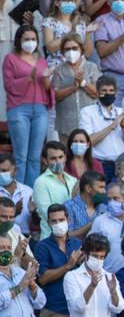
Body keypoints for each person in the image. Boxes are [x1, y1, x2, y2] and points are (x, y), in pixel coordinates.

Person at [3, 25, 52, 187]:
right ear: (19, 41)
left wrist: (46, 81)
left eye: (33, 39)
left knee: (34, 156)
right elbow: (9, 85)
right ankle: (17, 194)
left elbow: (47, 89)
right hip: (19, 109)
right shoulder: (10, 59)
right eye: (26, 39)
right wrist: (28, 78)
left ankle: (31, 195)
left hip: (40, 109)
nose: (30, 42)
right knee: (21, 156)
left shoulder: (42, 61)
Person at [34, 206, 82, 317]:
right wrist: (68, 265)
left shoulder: (77, 243)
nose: (58, 223)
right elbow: (42, 278)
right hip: (54, 310)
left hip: (77, 311)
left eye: (61, 220)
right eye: (53, 221)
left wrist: (82, 264)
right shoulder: (43, 246)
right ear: (48, 223)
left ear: (69, 220)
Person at [78, 76, 124, 181]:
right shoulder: (87, 112)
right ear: (98, 93)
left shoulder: (122, 112)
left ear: (116, 93)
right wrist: (112, 126)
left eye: (111, 91)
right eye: (104, 90)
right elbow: (87, 142)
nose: (108, 93)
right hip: (101, 165)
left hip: (122, 165)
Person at [0, 233, 44, 317]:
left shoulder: (21, 273)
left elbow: (40, 303)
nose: (5, 251)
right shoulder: (22, 278)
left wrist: (33, 287)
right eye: (1, 248)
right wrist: (20, 287)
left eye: (8, 248)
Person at [51, 35, 100, 146]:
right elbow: (55, 96)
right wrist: (73, 87)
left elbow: (97, 93)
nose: (71, 52)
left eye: (74, 48)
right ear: (63, 52)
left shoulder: (91, 67)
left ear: (81, 49)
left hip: (89, 125)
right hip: (66, 125)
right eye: (67, 49)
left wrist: (83, 83)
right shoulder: (58, 70)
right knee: (67, 157)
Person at [32, 143, 77, 232]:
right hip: (50, 236)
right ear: (45, 160)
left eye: (60, 157)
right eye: (53, 158)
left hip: (72, 235)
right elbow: (47, 214)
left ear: (65, 157)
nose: (58, 161)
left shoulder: (73, 180)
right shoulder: (41, 182)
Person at [64, 169, 107, 238]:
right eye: (101, 187)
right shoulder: (68, 206)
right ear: (88, 188)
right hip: (77, 248)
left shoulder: (103, 208)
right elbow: (66, 236)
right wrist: (92, 225)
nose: (104, 191)